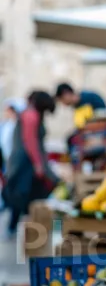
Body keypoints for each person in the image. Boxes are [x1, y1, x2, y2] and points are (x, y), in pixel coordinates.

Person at [2, 91, 59, 238]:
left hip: (27, 161)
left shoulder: (31, 114)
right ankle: (22, 228)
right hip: (25, 162)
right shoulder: (31, 115)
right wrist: (38, 165)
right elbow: (30, 141)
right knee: (22, 194)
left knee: (27, 195)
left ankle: (30, 228)